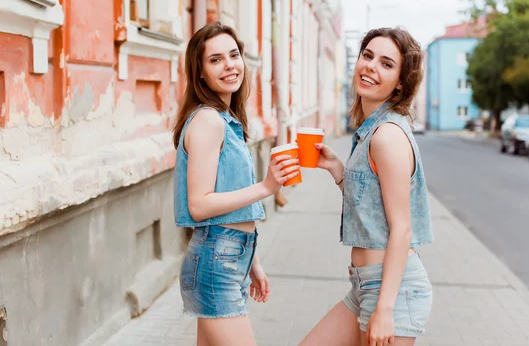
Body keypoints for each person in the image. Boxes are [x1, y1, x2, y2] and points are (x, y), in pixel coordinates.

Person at [301, 27, 434, 346]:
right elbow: (373, 207)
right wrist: (337, 170)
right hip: (365, 286)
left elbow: (402, 228)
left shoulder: (387, 136)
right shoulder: (370, 131)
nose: (371, 66)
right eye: (367, 55)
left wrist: (385, 309)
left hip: (392, 291)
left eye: (387, 63)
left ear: (401, 82)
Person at [173, 21, 300, 346]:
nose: (229, 65)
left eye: (233, 55)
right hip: (217, 261)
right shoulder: (208, 121)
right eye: (215, 59)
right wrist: (267, 187)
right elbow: (199, 205)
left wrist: (252, 262)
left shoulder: (226, 121)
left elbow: (229, 202)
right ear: (199, 72)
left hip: (229, 258)